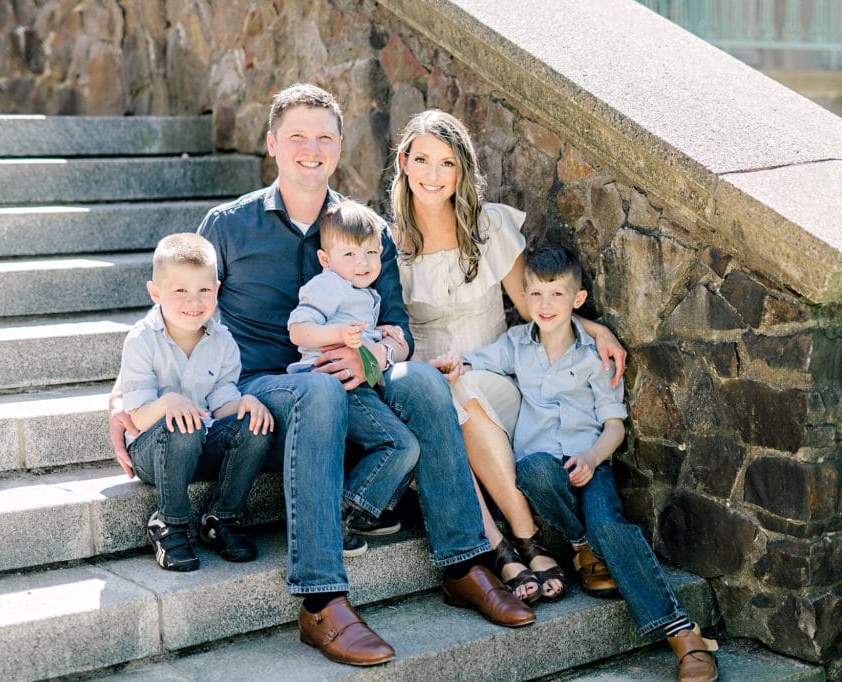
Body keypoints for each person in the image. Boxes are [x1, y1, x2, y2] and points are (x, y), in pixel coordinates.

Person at [110, 83, 533, 668]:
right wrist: (122, 397)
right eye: (297, 137)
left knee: (424, 382)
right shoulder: (229, 225)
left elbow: (398, 326)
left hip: (354, 379)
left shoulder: (362, 228)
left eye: (324, 138)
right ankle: (321, 598)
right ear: (273, 145)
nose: (311, 149)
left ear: (339, 148)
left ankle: (464, 563)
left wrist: (376, 357)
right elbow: (174, 301)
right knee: (314, 389)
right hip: (263, 387)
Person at [438, 246, 718, 682]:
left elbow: (615, 427)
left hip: (591, 464)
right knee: (530, 469)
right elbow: (474, 362)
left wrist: (590, 457)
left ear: (578, 299)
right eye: (535, 294)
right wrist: (454, 367)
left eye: (556, 294)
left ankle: (682, 634)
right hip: (544, 474)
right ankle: (582, 544)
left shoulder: (595, 356)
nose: (545, 305)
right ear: (525, 298)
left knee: (610, 528)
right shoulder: (516, 344)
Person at [389, 110, 627, 603]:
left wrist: (594, 327)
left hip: (495, 380)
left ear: (462, 172)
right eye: (424, 161)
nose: (434, 176)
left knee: (463, 393)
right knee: (440, 403)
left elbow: (534, 308)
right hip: (427, 379)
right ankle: (511, 545)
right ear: (404, 163)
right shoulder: (389, 246)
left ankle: (518, 534)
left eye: (447, 164)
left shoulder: (489, 225)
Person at [118, 233, 274, 571]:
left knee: (254, 426)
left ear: (216, 289)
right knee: (180, 428)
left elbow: (222, 403)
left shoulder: (222, 341)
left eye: (204, 290)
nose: (194, 301)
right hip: (153, 451)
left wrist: (246, 404)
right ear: (155, 293)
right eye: (180, 291)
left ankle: (222, 517)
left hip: (202, 443)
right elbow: (139, 418)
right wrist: (168, 402)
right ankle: (170, 525)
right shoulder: (142, 341)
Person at [287, 199, 418, 557]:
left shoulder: (362, 292)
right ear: (326, 260)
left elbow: (363, 335)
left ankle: (363, 512)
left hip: (357, 382)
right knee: (399, 445)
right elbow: (298, 330)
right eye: (350, 255)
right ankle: (341, 513)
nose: (363, 263)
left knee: (405, 442)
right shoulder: (328, 285)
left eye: (372, 253)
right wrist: (339, 334)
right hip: (332, 380)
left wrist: (380, 335)